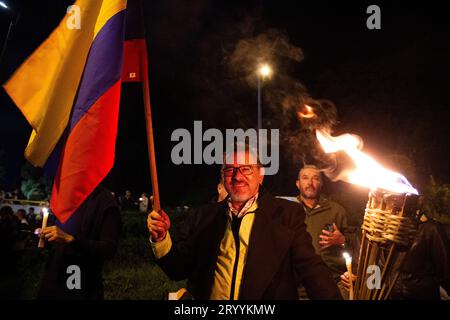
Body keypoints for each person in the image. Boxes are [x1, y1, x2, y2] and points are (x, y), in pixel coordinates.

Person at [148, 146, 342, 300]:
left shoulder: (286, 214)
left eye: (246, 169)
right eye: (230, 170)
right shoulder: (203, 217)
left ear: (260, 174)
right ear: (223, 177)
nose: (237, 177)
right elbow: (178, 269)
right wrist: (162, 238)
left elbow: (311, 269)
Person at [341, 212, 450, 300]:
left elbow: (447, 274)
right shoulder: (374, 231)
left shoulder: (430, 230)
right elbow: (374, 279)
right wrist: (358, 283)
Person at [38, 186, 121, 300]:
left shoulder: (104, 200)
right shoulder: (66, 197)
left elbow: (109, 248)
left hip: (81, 281)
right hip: (53, 279)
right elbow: (56, 239)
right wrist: (46, 236)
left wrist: (71, 240)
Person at [294, 165, 350, 298]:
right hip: (296, 288)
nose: (310, 183)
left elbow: (355, 246)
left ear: (321, 184)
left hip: (331, 286)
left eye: (315, 179)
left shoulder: (336, 211)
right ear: (298, 184)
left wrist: (343, 241)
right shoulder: (288, 209)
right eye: (305, 178)